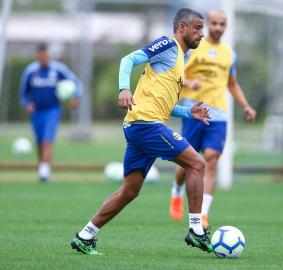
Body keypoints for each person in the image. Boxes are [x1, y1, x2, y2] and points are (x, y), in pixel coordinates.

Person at [71, 8, 213, 255]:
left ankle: (85, 236)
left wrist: (190, 113)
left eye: (203, 28)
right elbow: (128, 60)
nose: (202, 33)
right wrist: (123, 89)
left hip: (141, 125)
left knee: (130, 191)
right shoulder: (168, 44)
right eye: (197, 28)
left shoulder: (180, 59)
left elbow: (164, 106)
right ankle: (196, 230)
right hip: (146, 125)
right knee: (197, 164)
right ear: (181, 28)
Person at [169, 10, 256, 228]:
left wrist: (246, 106)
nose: (218, 28)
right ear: (208, 24)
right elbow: (176, 76)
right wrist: (190, 84)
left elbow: (232, 83)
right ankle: (176, 190)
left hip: (219, 115)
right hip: (194, 111)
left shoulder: (229, 53)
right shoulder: (193, 47)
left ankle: (204, 213)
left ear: (226, 26)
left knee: (212, 159)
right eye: (214, 23)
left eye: (222, 24)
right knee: (187, 161)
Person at [19, 44, 81, 182]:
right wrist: (27, 104)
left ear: (49, 55)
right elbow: (23, 93)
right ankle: (43, 167)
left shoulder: (58, 69)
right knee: (39, 140)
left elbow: (76, 82)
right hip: (36, 111)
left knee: (47, 138)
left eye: (45, 56)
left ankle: (44, 171)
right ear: (37, 56)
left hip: (52, 109)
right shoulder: (30, 71)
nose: (43, 59)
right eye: (40, 56)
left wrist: (76, 96)